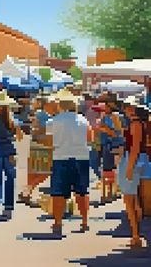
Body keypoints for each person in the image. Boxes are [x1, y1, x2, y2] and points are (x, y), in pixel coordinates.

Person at [46, 88, 91, 235]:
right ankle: (84, 221)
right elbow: (90, 138)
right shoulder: (83, 120)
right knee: (82, 192)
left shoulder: (53, 121)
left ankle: (58, 223)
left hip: (61, 157)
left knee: (59, 192)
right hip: (81, 157)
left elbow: (48, 142)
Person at [118, 96, 151, 248]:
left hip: (134, 160)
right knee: (135, 200)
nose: (125, 108)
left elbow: (135, 147)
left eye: (127, 106)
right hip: (138, 160)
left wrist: (129, 167)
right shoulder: (140, 123)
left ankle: (136, 236)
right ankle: (136, 235)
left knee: (129, 200)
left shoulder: (136, 123)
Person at [98, 92, 124, 203]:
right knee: (106, 169)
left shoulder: (117, 116)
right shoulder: (104, 116)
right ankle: (106, 193)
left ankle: (112, 192)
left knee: (113, 170)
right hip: (107, 144)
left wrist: (107, 130)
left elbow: (118, 133)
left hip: (116, 144)